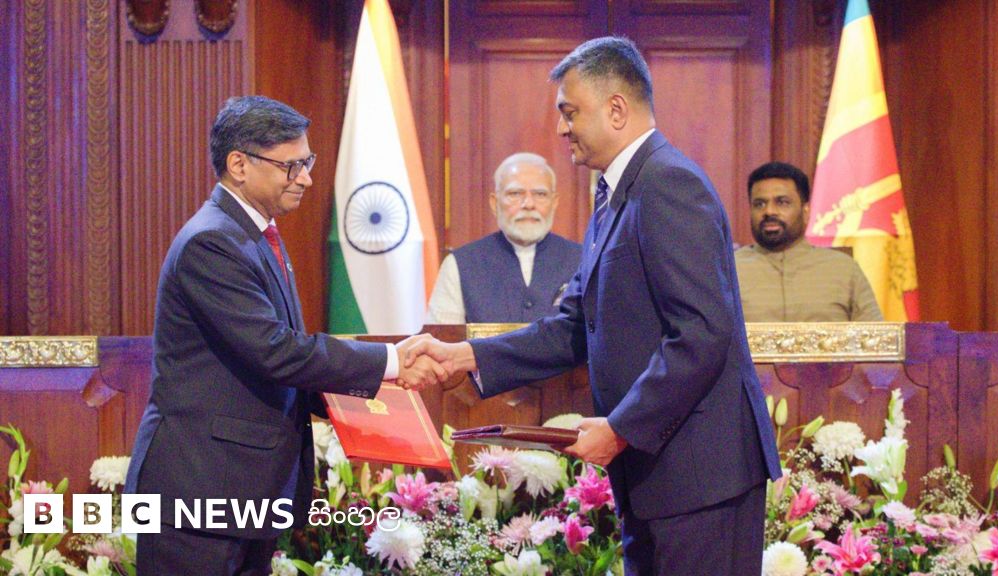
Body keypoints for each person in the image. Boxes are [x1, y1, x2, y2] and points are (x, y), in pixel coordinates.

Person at [408, 37, 781, 574]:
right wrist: (465, 356)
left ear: (616, 110)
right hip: (656, 475)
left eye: (570, 112)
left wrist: (621, 427)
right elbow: (574, 326)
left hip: (700, 478)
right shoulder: (614, 196)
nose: (562, 129)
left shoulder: (669, 183)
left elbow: (701, 333)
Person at [124, 96, 445, 575]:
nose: (307, 178)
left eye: (307, 162)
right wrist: (391, 363)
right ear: (239, 165)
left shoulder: (255, 234)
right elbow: (274, 351)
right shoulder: (212, 242)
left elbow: (278, 358)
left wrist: (369, 401)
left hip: (239, 490)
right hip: (199, 489)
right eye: (291, 166)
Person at [426, 152, 581, 324]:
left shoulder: (584, 261)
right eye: (515, 194)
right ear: (495, 203)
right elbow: (443, 337)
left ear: (554, 202)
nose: (529, 204)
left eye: (540, 194)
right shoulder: (459, 264)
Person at [736, 161, 883, 322]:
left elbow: (875, 334)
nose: (769, 211)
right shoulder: (729, 271)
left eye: (782, 202)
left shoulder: (844, 269)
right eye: (759, 204)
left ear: (806, 211)